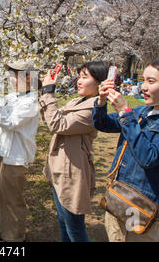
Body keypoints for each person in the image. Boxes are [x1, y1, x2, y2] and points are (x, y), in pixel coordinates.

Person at [93, 60, 159, 242]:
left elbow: (148, 156)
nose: (143, 87)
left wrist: (125, 112)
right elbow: (103, 124)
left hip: (139, 203)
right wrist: (101, 101)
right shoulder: (142, 111)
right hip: (118, 195)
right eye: (143, 80)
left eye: (151, 81)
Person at [39, 61, 109, 242]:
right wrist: (45, 92)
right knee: (63, 223)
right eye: (79, 76)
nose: (79, 81)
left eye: (85, 77)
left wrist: (49, 93)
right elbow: (49, 118)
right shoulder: (77, 100)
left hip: (73, 173)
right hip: (60, 169)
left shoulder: (94, 108)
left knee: (75, 230)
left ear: (100, 83)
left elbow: (57, 124)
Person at [0, 60, 39, 242]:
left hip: (15, 157)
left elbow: (9, 122)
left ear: (29, 78)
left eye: (16, 75)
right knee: (4, 197)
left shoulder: (31, 101)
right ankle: (8, 234)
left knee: (13, 200)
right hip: (2, 152)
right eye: (11, 75)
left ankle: (15, 238)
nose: (11, 79)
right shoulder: (15, 96)